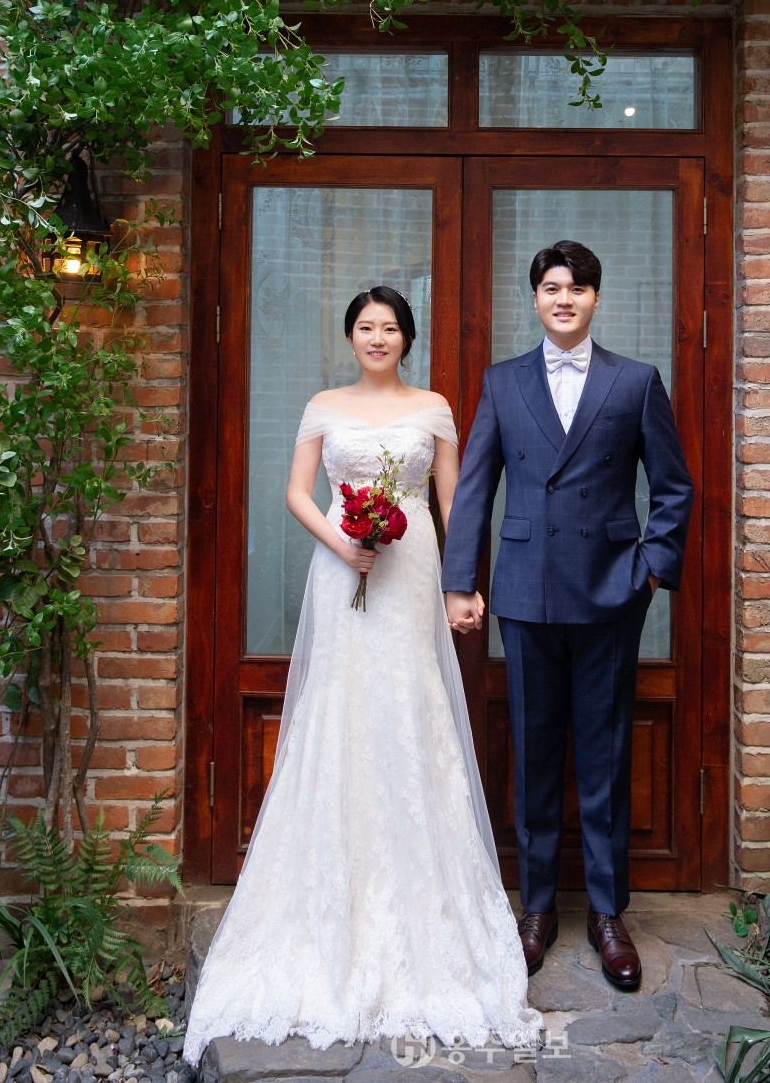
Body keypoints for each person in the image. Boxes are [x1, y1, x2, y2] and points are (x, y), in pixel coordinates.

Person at [184, 286, 541, 1062]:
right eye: (365, 327)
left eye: (390, 328)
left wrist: (462, 585)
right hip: (340, 570)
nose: (378, 338)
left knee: (411, 710)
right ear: (351, 336)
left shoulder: (435, 408)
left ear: (406, 338)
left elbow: (455, 501)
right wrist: (341, 543)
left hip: (409, 574)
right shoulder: (323, 405)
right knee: (339, 711)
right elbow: (296, 492)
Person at [442, 242, 694, 992]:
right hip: (524, 594)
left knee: (605, 756)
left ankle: (609, 913)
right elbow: (474, 488)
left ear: (595, 299)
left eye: (577, 288)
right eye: (552, 287)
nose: (564, 298)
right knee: (533, 754)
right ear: (535, 299)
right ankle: (538, 907)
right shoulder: (502, 382)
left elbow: (673, 487)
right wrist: (459, 583)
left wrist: (652, 570)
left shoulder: (636, 381)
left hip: (610, 592)